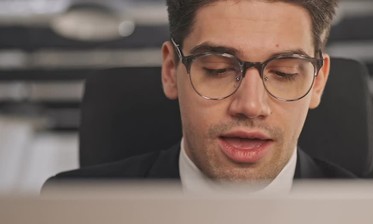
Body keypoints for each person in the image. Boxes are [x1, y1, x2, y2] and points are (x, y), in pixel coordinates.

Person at [44, 0, 355, 193]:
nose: (250, 105)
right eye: (218, 69)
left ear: (318, 82)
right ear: (170, 70)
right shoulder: (68, 209)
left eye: (285, 72)